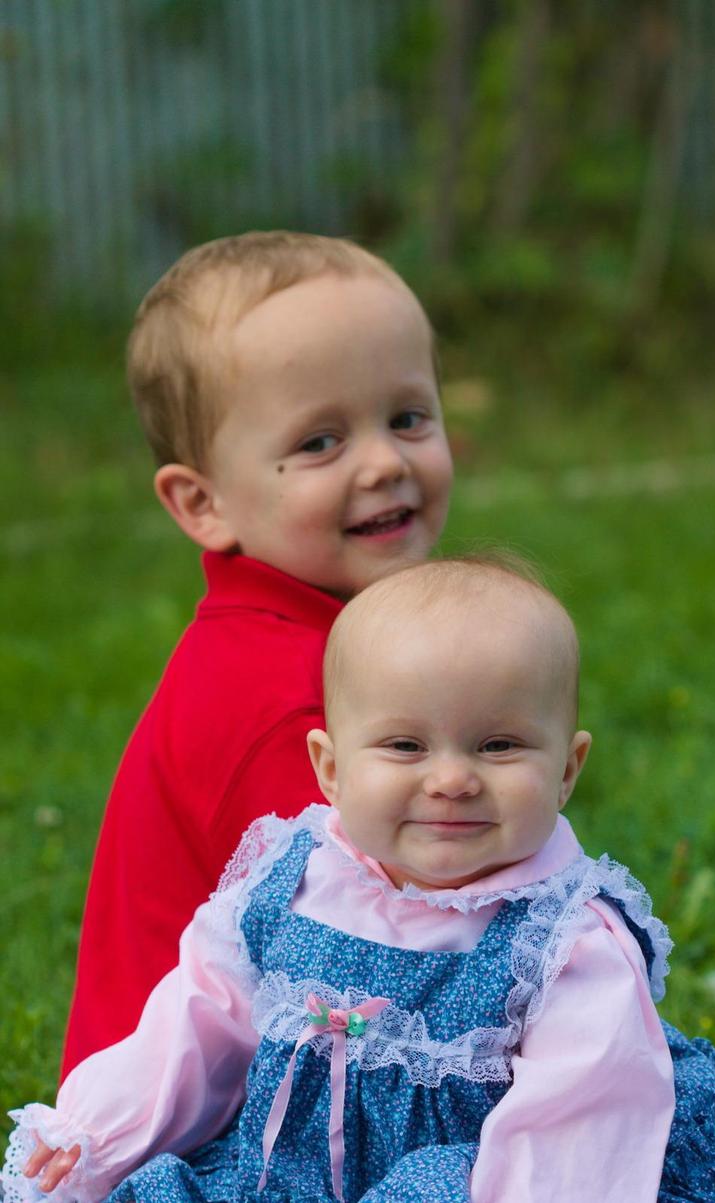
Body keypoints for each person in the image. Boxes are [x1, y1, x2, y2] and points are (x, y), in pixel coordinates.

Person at [6, 559, 715, 1202]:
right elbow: (200, 1019)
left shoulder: (566, 939)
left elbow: (578, 1117)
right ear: (330, 767)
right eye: (405, 745)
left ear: (567, 769)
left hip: (486, 1176)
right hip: (294, 1177)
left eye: (497, 745)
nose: (451, 778)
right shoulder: (291, 880)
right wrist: (97, 1130)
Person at [60, 231, 453, 1078]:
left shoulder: (338, 641)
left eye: (408, 417)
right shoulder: (278, 694)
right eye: (320, 442)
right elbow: (364, 934)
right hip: (200, 1108)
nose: (386, 461)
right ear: (203, 502)